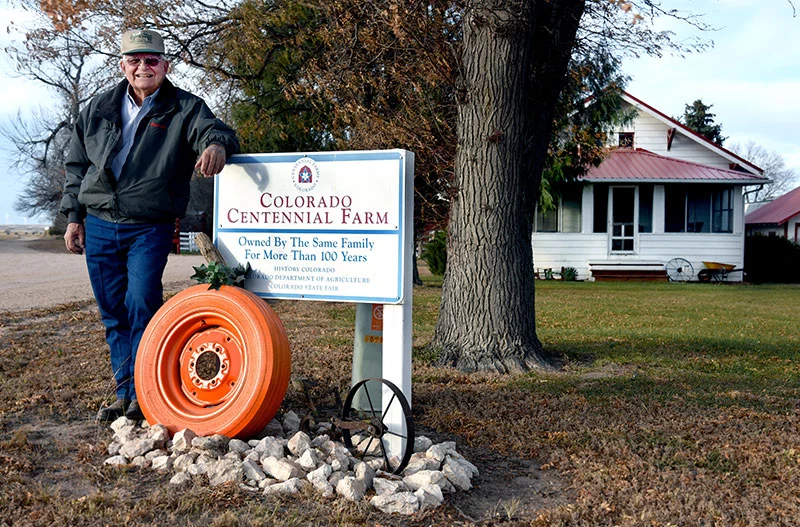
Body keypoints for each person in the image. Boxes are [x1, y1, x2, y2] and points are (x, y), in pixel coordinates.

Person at [59, 29, 240, 422]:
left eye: (152, 61)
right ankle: (125, 394)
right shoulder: (97, 108)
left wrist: (215, 146)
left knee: (142, 304)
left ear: (165, 66)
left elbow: (217, 130)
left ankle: (146, 393)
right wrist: (74, 217)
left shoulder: (183, 107)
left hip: (149, 226)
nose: (144, 67)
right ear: (123, 66)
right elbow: (77, 166)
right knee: (112, 312)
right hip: (100, 222)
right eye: (135, 60)